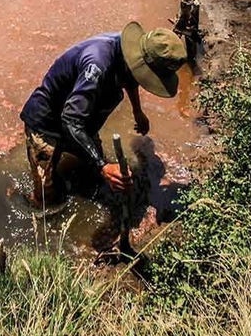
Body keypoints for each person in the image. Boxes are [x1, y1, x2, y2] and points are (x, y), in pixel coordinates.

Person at [20, 21, 188, 208]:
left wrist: (137, 111)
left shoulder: (129, 55)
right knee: (47, 198)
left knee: (92, 177)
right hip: (47, 124)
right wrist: (103, 165)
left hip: (83, 119)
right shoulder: (98, 65)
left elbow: (130, 79)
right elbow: (71, 120)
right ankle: (36, 206)